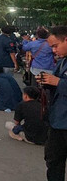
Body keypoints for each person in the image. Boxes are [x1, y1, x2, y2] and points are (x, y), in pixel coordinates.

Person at [37, 26, 67, 180]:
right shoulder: (62, 63)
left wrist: (58, 82)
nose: (54, 51)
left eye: (55, 46)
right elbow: (55, 83)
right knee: (53, 162)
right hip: (57, 122)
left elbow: (60, 82)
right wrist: (46, 81)